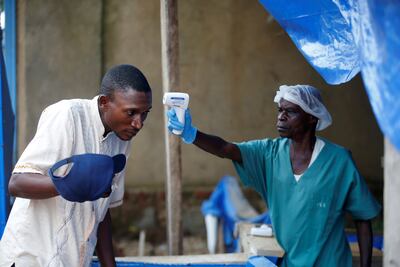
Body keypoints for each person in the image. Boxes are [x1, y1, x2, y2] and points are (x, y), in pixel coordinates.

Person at [166, 85, 381, 267]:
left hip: (331, 262)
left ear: (312, 119)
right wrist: (192, 134)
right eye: (280, 110)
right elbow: (226, 149)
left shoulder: (339, 161)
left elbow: (363, 219)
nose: (281, 116)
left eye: (291, 112)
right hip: (290, 262)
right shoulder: (269, 154)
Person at [0, 64, 152, 267]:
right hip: (30, 258)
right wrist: (69, 184)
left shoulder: (122, 139)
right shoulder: (67, 115)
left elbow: (102, 210)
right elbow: (17, 183)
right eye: (131, 113)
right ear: (105, 102)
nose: (138, 123)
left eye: (144, 113)